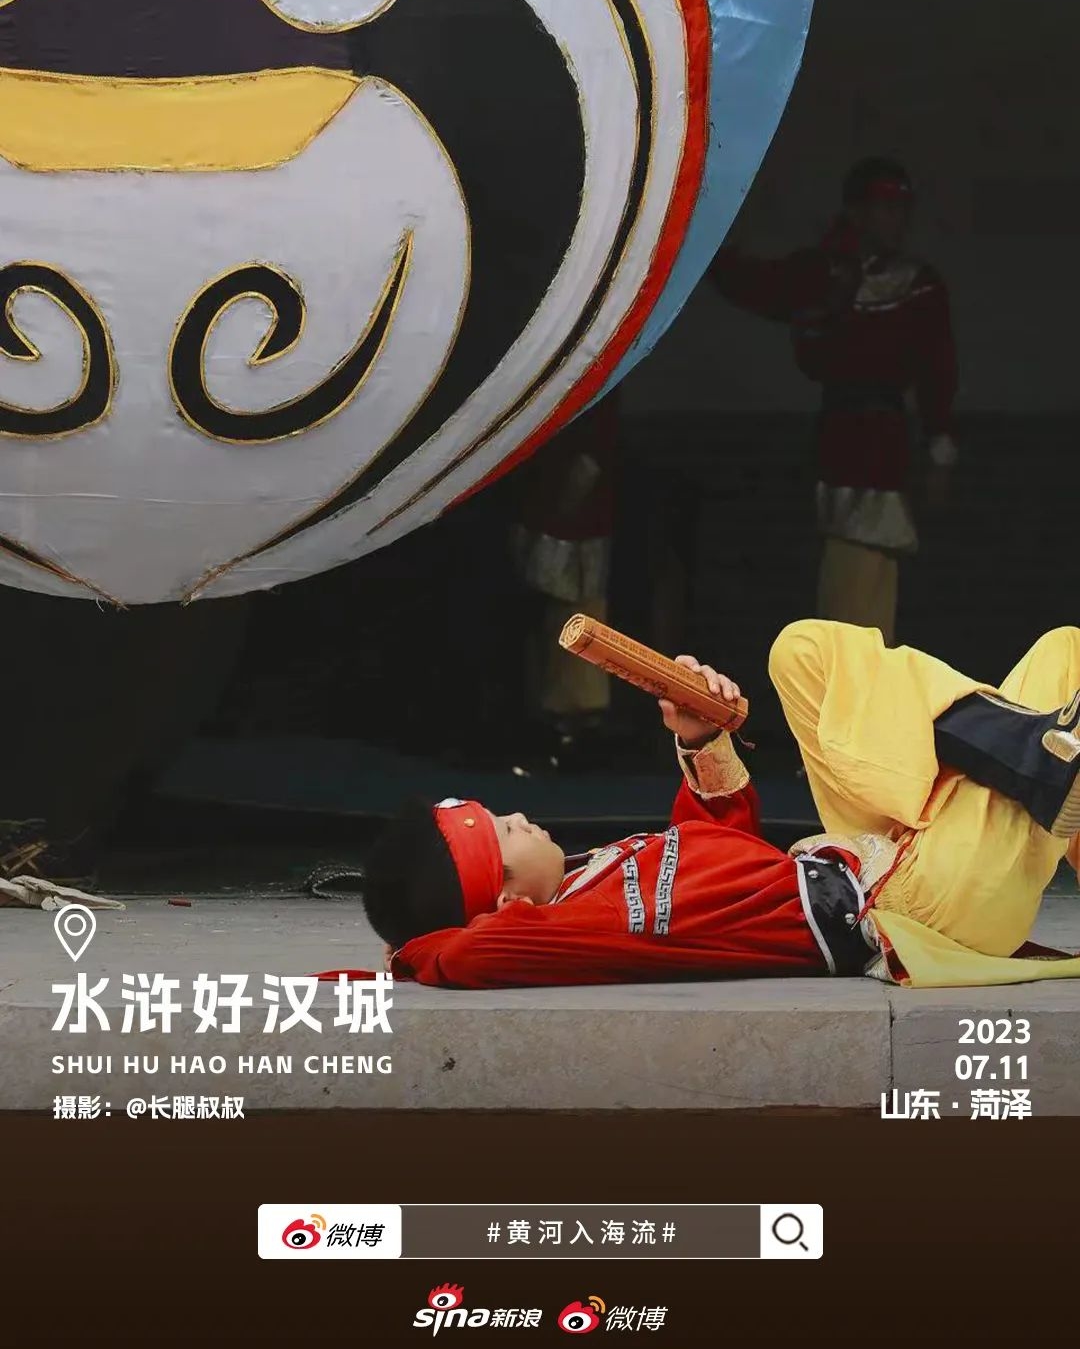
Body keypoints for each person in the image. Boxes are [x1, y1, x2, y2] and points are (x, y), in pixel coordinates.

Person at [359, 622, 1080, 992]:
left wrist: (700, 736)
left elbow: (722, 846)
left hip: (885, 844)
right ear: (505, 902)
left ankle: (1040, 757)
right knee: (1063, 688)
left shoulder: (593, 873)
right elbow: (470, 952)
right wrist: (413, 951)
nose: (519, 817)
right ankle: (1041, 759)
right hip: (915, 905)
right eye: (503, 832)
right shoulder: (572, 929)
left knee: (803, 651)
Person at [708, 159, 957, 644]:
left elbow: (939, 373)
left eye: (901, 208)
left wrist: (940, 451)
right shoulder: (823, 273)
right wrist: (704, 239)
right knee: (843, 582)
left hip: (887, 448)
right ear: (857, 212)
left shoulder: (920, 285)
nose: (896, 219)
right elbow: (757, 283)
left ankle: (862, 676)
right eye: (884, 207)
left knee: (874, 579)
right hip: (837, 442)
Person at [507, 396, 620, 763]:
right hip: (544, 518)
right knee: (545, 620)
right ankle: (553, 718)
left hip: (574, 527)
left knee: (578, 619)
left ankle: (575, 722)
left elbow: (592, 456)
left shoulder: (595, 399)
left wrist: (563, 505)